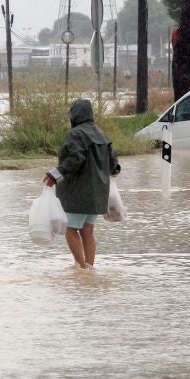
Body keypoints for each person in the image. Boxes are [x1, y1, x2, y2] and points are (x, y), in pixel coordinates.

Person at [44, 99, 120, 270]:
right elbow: (114, 164)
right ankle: (90, 269)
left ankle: (81, 269)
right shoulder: (102, 134)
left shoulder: (76, 135)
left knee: (71, 230)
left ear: (74, 115)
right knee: (88, 232)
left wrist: (54, 175)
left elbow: (74, 159)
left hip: (77, 193)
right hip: (98, 194)